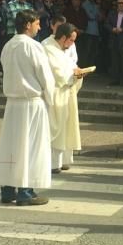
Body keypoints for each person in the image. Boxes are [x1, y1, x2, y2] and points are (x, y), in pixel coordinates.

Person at [0, 9, 56, 206]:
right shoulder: (34, 46)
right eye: (37, 23)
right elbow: (45, 75)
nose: (39, 27)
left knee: (12, 148)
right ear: (27, 24)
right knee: (31, 147)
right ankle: (26, 192)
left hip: (13, 103)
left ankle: (8, 189)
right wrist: (51, 97)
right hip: (31, 102)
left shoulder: (8, 46)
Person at [43, 23, 86, 174]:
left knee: (66, 127)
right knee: (56, 128)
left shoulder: (62, 49)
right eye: (71, 40)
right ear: (62, 37)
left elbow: (70, 66)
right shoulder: (48, 48)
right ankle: (53, 163)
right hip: (55, 94)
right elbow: (58, 73)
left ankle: (63, 160)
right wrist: (73, 75)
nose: (72, 44)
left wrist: (78, 73)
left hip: (67, 93)